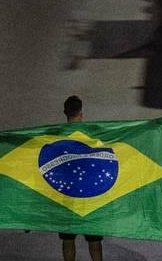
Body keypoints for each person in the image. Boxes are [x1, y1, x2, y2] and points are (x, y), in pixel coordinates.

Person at [60, 96, 103, 261]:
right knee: (94, 241)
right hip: (90, 196)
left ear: (65, 113)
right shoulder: (92, 136)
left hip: (67, 196)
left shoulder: (58, 137)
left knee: (68, 239)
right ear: (81, 113)